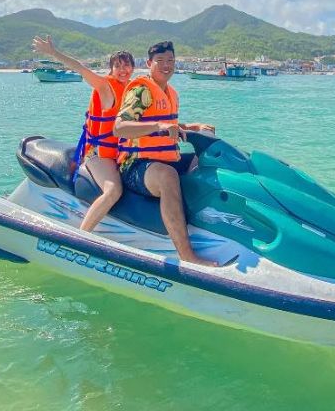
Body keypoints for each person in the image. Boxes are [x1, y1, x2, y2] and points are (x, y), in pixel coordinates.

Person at [112, 41, 218, 267]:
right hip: (135, 165)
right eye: (160, 61)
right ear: (149, 63)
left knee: (210, 158)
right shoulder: (141, 91)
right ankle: (187, 255)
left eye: (170, 60)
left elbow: (169, 127)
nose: (166, 65)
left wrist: (193, 127)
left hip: (164, 158)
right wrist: (158, 126)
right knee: (168, 176)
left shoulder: (171, 93)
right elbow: (119, 128)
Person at [32, 35, 134, 232]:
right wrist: (53, 53)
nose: (123, 70)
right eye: (118, 66)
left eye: (127, 65)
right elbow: (80, 68)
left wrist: (187, 127)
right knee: (113, 191)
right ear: (111, 69)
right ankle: (82, 234)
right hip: (99, 154)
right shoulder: (106, 87)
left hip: (119, 154)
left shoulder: (131, 91)